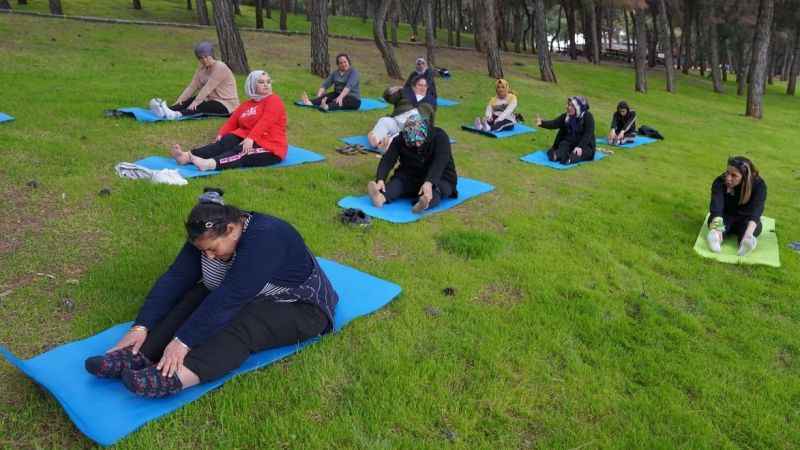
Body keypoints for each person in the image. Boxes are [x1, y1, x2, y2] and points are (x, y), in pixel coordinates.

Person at [84, 188, 339, 398]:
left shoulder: (267, 237)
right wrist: (141, 326)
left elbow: (231, 297)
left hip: (302, 306)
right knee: (194, 296)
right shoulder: (206, 234)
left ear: (230, 228)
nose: (208, 255)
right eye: (203, 250)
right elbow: (176, 278)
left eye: (213, 249)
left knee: (244, 321)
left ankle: (176, 376)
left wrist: (183, 342)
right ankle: (139, 354)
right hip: (249, 292)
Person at [170, 70, 287, 171]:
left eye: (268, 82)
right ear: (252, 84)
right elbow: (233, 121)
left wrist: (251, 138)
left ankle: (210, 164)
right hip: (248, 137)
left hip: (270, 146)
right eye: (261, 82)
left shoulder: (274, 100)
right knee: (226, 141)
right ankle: (186, 157)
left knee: (243, 151)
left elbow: (266, 121)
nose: (266, 85)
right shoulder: (247, 104)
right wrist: (222, 134)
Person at [367, 114, 457, 213]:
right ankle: (380, 198)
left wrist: (429, 182)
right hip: (411, 175)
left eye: (419, 141)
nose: (417, 145)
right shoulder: (400, 139)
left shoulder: (440, 137)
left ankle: (422, 204)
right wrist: (380, 179)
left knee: (434, 191)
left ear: (425, 133)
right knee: (397, 184)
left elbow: (440, 162)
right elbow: (388, 159)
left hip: (441, 176)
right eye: (412, 143)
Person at [149, 41, 239, 120]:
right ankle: (166, 110)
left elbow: (208, 88)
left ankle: (176, 115)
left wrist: (196, 102)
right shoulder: (201, 67)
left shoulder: (220, 67)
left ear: (212, 55)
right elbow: (192, 86)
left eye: (206, 56)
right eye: (200, 58)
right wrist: (179, 101)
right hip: (210, 99)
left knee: (198, 106)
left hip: (227, 104)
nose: (204, 60)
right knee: (189, 101)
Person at [706, 156, 767, 256]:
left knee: (750, 231)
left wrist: (748, 233)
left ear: (745, 177)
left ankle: (746, 243)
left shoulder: (759, 186)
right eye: (727, 173)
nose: (728, 178)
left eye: (734, 175)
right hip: (725, 216)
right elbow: (717, 208)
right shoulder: (720, 182)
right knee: (714, 221)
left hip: (746, 219)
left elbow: (756, 212)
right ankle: (715, 237)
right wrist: (717, 229)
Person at [367, 74, 436, 152]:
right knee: (384, 121)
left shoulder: (429, 102)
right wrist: (393, 90)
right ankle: (376, 141)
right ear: (413, 86)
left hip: (412, 127)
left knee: (400, 137)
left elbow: (430, 122)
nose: (423, 88)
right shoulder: (405, 93)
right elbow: (387, 97)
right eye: (420, 85)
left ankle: (388, 143)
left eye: (425, 86)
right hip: (396, 122)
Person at [536, 96, 596, 165]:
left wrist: (580, 146)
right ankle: (556, 156)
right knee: (563, 145)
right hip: (570, 142)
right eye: (568, 105)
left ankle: (569, 159)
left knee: (582, 153)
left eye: (572, 106)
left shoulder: (587, 116)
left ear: (578, 107)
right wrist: (542, 123)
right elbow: (555, 123)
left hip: (586, 145)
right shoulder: (566, 116)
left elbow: (588, 134)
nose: (568, 107)